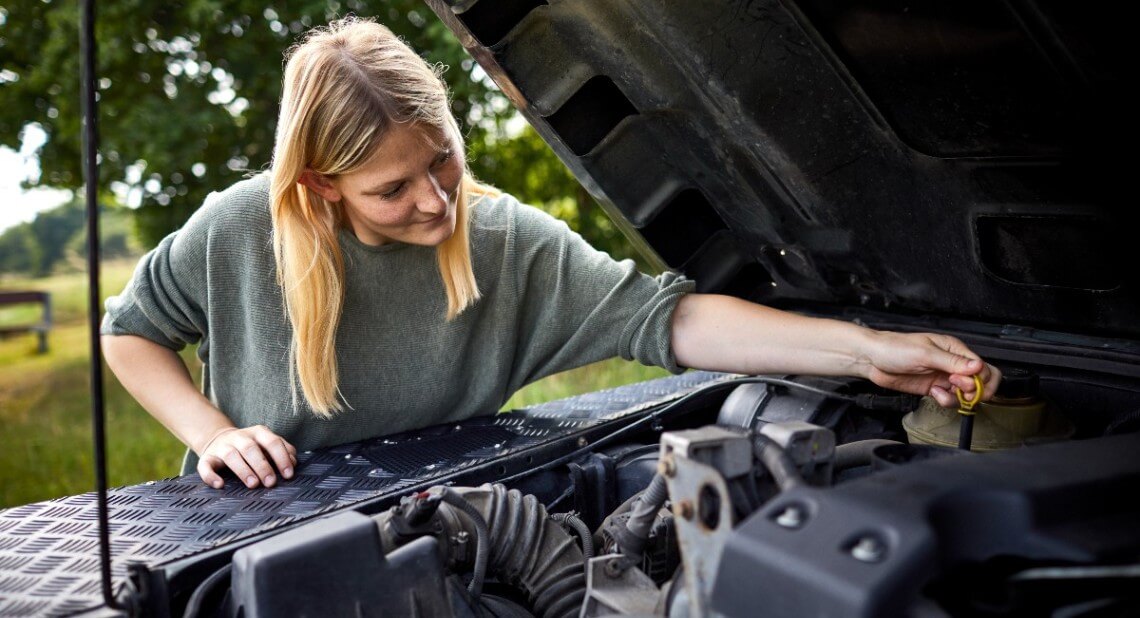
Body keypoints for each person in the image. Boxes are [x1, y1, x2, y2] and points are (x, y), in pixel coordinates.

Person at [101, 17, 1000, 491]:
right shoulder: (239, 228)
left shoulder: (500, 239)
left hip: (446, 516)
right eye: (392, 189)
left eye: (443, 158)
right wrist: (213, 435)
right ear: (323, 186)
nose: (436, 200)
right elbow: (129, 333)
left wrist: (868, 349)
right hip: (259, 532)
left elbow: (673, 319)